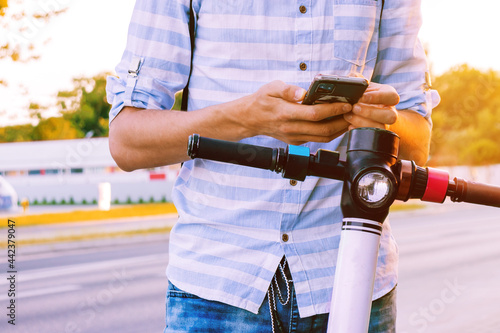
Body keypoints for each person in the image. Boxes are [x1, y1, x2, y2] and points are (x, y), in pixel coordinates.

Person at [106, 0, 439, 332]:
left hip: (355, 281)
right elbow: (127, 143)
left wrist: (379, 120)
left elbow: (417, 144)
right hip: (215, 290)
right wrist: (245, 118)